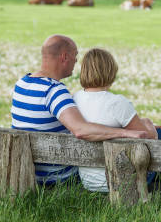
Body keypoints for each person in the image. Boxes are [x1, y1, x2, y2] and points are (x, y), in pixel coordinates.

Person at [10, 35, 149, 185]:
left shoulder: (21, 84)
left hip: (27, 172)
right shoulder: (54, 91)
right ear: (64, 57)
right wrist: (124, 133)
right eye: (75, 56)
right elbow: (80, 130)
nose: (77, 62)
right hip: (56, 177)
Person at [73, 47, 161, 192]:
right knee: (160, 133)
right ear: (111, 71)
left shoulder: (75, 99)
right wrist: (148, 123)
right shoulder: (117, 102)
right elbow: (149, 136)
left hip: (88, 181)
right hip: (122, 182)